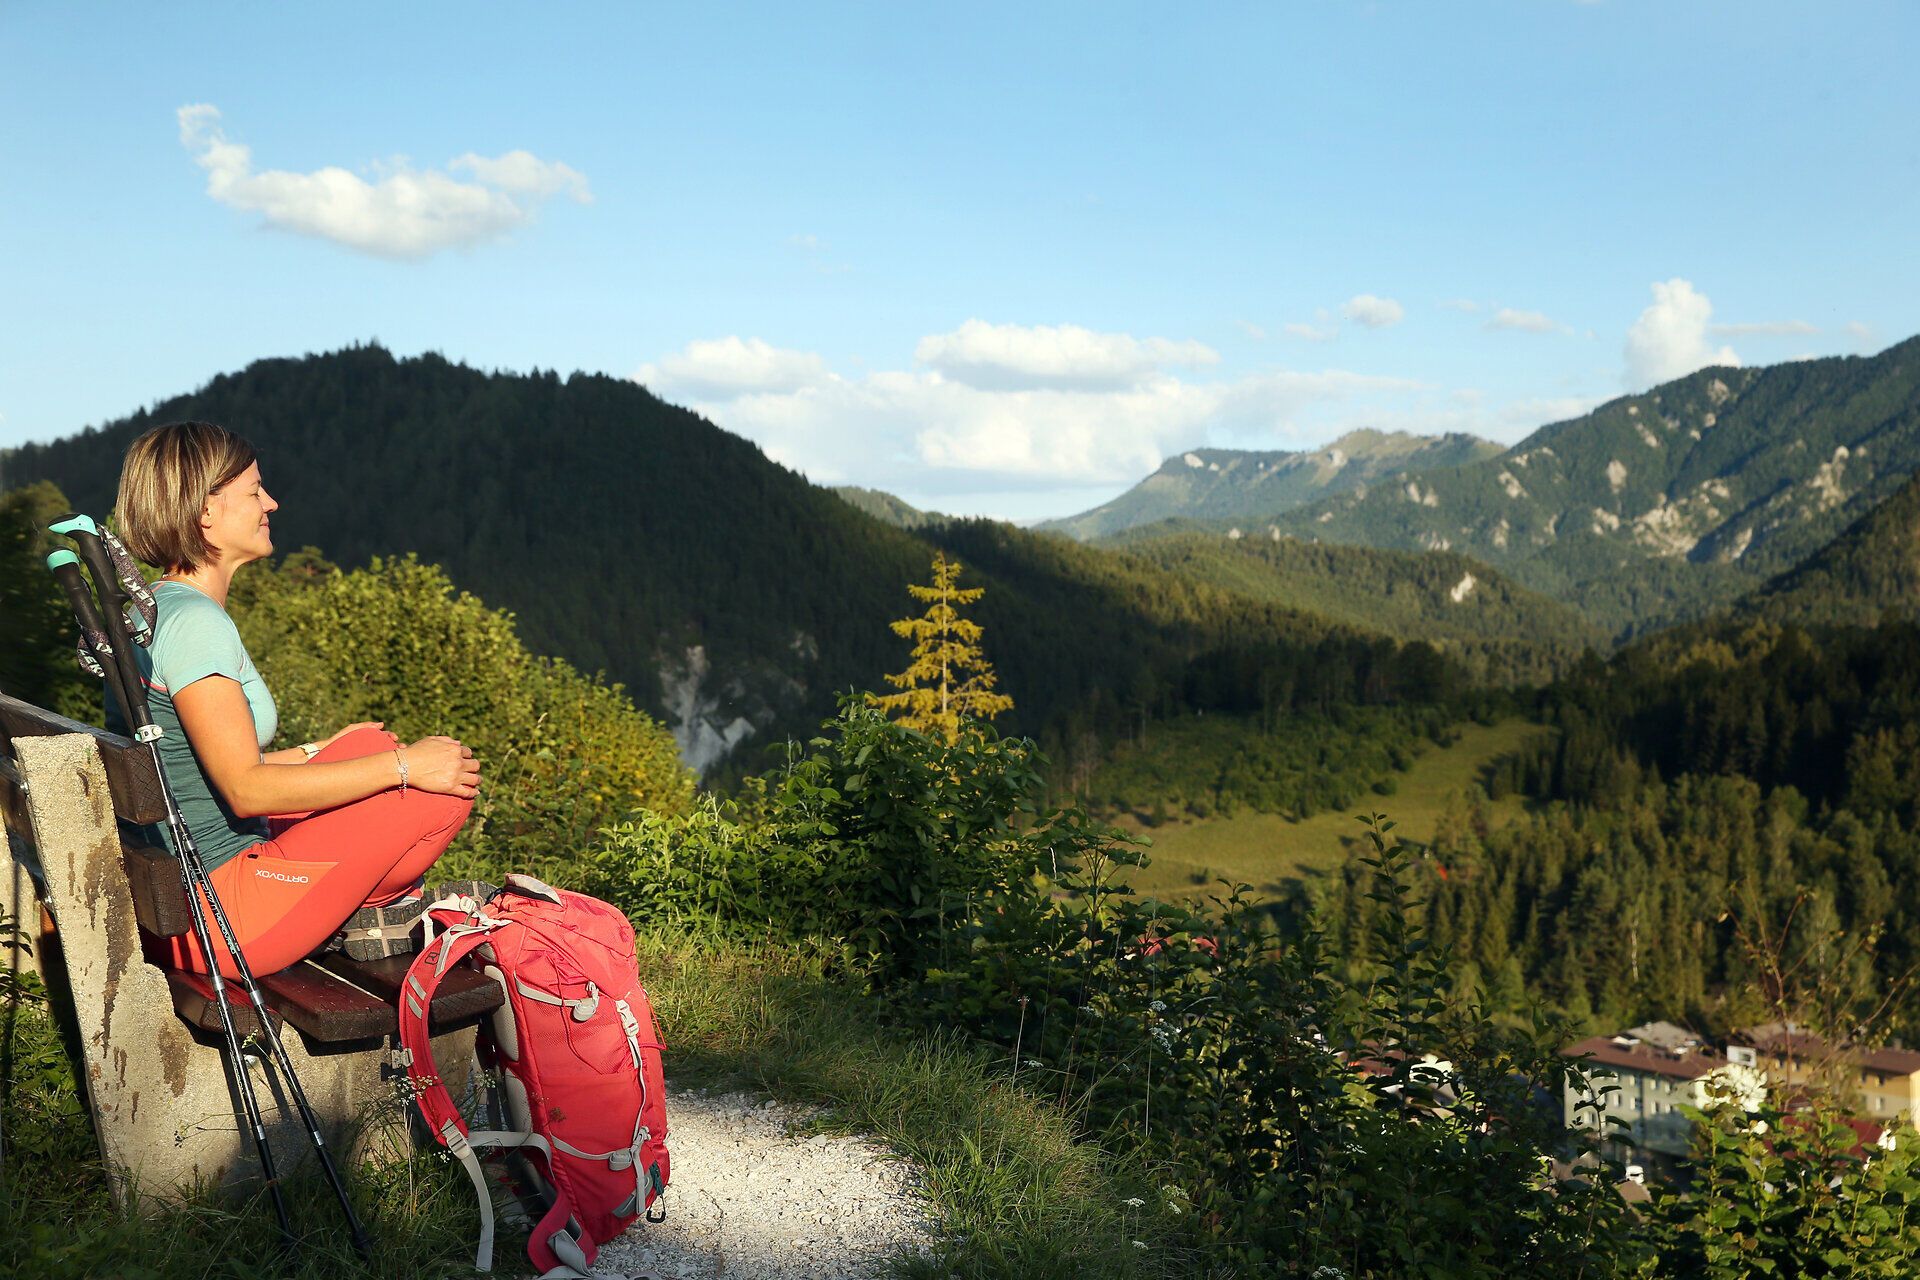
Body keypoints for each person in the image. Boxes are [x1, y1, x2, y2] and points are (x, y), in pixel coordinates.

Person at [113, 420, 482, 978]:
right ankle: (368, 914)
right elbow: (244, 790)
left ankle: (350, 905)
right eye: (254, 491)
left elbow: (193, 768)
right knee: (442, 788)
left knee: (365, 746)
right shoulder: (195, 625)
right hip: (223, 917)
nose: (271, 503)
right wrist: (406, 766)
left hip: (176, 902)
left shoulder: (156, 608)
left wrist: (324, 750)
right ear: (205, 511)